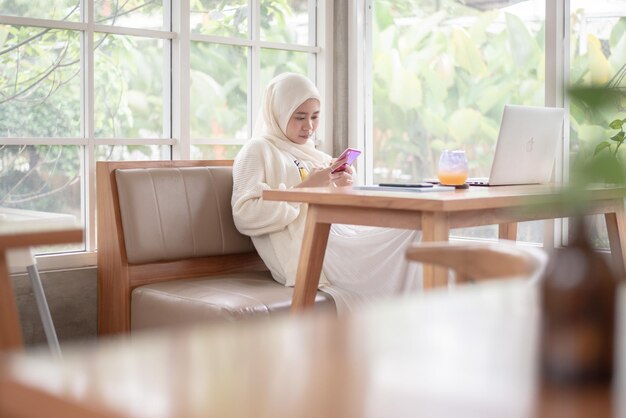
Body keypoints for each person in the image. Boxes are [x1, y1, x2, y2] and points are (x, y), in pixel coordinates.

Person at [231, 72, 422, 313]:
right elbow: (244, 215)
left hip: (334, 235)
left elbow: (337, 210)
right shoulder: (258, 150)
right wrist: (308, 187)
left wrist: (344, 187)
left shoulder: (317, 157)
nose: (308, 126)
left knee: (415, 230)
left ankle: (411, 328)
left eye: (315, 117)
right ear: (278, 113)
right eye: (299, 117)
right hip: (305, 249)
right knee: (407, 243)